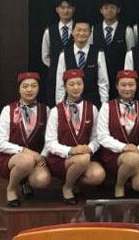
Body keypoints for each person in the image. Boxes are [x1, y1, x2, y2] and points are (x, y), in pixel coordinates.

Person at [45, 69, 105, 204]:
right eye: (71, 84)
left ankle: (73, 180)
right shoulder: (56, 111)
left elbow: (96, 137)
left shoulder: (92, 108)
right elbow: (50, 142)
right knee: (82, 159)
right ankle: (67, 187)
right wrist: (71, 151)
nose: (76, 87)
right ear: (65, 87)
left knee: (98, 176)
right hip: (61, 159)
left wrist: (89, 148)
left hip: (85, 156)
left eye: (79, 83)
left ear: (84, 85)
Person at [0, 72, 50, 207]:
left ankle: (25, 182)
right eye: (25, 86)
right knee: (26, 160)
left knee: (42, 180)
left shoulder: (46, 110)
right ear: (19, 89)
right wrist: (25, 151)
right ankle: (11, 188)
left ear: (38, 88)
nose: (29, 89)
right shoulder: (8, 110)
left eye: (33, 86)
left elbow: (50, 139)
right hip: (9, 157)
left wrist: (43, 155)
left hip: (36, 157)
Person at [97, 70, 139, 198]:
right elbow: (103, 136)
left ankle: (129, 178)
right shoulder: (107, 107)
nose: (127, 88)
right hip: (114, 156)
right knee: (131, 158)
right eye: (123, 85)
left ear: (136, 86)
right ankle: (120, 184)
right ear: (117, 86)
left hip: (138, 155)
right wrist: (124, 147)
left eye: (131, 84)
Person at [55, 18, 109, 108]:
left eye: (85, 30)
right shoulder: (64, 54)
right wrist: (59, 106)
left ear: (90, 33)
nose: (81, 33)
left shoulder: (98, 53)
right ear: (72, 32)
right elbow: (60, 84)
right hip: (70, 102)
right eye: (78, 30)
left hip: (93, 102)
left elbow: (103, 82)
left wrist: (104, 106)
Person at [92, 0, 135, 100]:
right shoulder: (93, 30)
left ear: (118, 10)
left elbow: (131, 56)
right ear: (101, 10)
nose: (109, 10)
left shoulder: (127, 30)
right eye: (106, 8)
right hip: (98, 78)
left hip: (120, 79)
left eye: (112, 7)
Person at [40, 0, 75, 106]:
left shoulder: (80, 29)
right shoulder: (49, 31)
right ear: (57, 9)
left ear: (74, 9)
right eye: (62, 7)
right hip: (54, 76)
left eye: (69, 7)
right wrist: (57, 67)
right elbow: (45, 56)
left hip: (76, 76)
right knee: (55, 107)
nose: (66, 11)